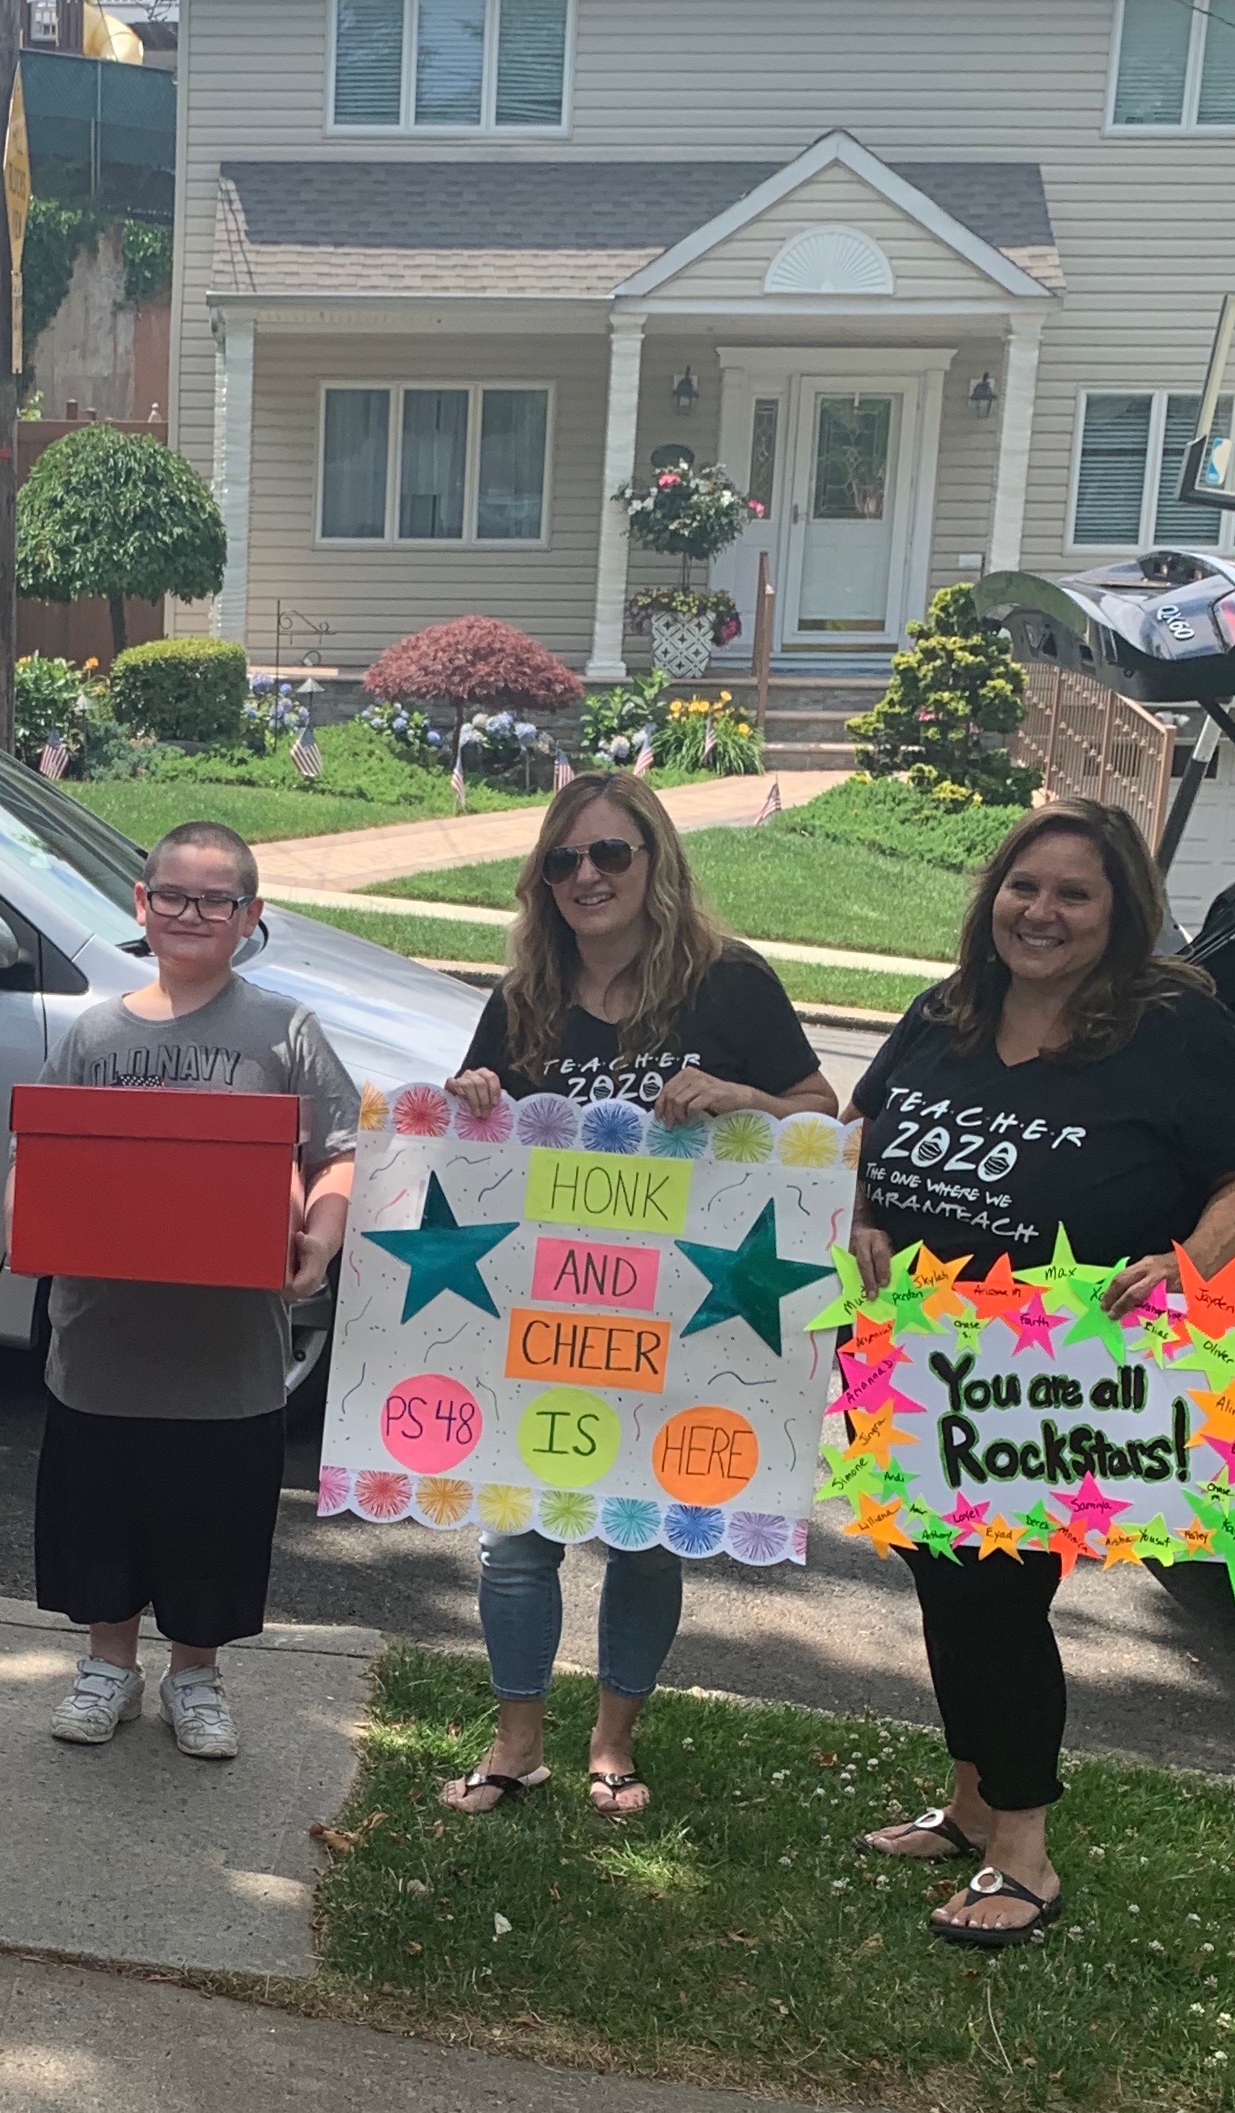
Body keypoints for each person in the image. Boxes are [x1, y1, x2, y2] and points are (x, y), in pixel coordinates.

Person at [848, 799, 1235, 1946]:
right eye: (1023, 887)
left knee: (996, 1593)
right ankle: (970, 1802)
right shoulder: (942, 1015)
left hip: (1067, 1370)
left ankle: (1024, 1852)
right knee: (947, 1582)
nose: (1040, 912)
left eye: (1072, 894)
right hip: (910, 1355)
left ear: (1119, 912)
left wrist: (1194, 1263)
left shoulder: (1172, 1032)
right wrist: (854, 1218)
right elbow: (854, 1142)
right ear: (992, 896)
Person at [438, 771, 838, 1819]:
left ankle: (613, 1744)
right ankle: (516, 1741)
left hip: (682, 1318)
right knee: (517, 1531)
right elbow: (477, 1141)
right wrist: (474, 1097)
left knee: (644, 1531)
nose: (586, 877)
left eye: (611, 854)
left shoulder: (730, 984)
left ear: (656, 862)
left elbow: (818, 1119)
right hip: (546, 1314)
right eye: (564, 860)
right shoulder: (521, 996)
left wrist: (745, 1097)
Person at [17, 820, 358, 1761]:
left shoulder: (284, 1030)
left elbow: (335, 1157)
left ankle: (194, 1676)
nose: (191, 913)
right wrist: (26, 1222)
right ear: (140, 903)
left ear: (249, 917)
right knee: (102, 1511)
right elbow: (38, 1160)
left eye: (216, 900)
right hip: (104, 1341)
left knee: (211, 1517)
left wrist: (320, 1242)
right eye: (172, 894)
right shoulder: (93, 1031)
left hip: (229, 1349)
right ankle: (106, 1666)